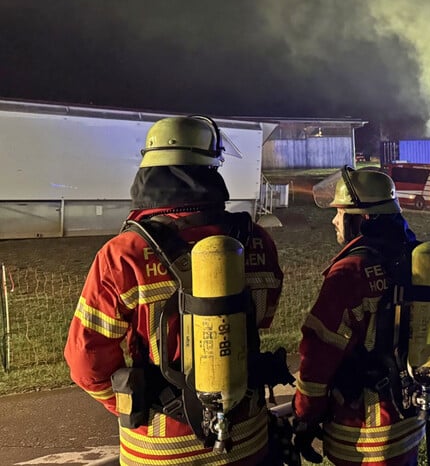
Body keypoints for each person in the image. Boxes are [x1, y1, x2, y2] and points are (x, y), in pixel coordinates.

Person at [64, 116, 286, 465]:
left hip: (159, 448)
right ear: (213, 171)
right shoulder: (256, 240)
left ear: (149, 171)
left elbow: (84, 359)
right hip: (246, 439)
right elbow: (265, 315)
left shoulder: (124, 253)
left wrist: (134, 401)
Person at [293, 167, 430, 466]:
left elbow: (318, 351)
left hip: (361, 435)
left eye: (341, 212)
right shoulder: (420, 262)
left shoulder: (349, 273)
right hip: (409, 423)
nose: (334, 220)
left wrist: (305, 416)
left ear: (363, 218)